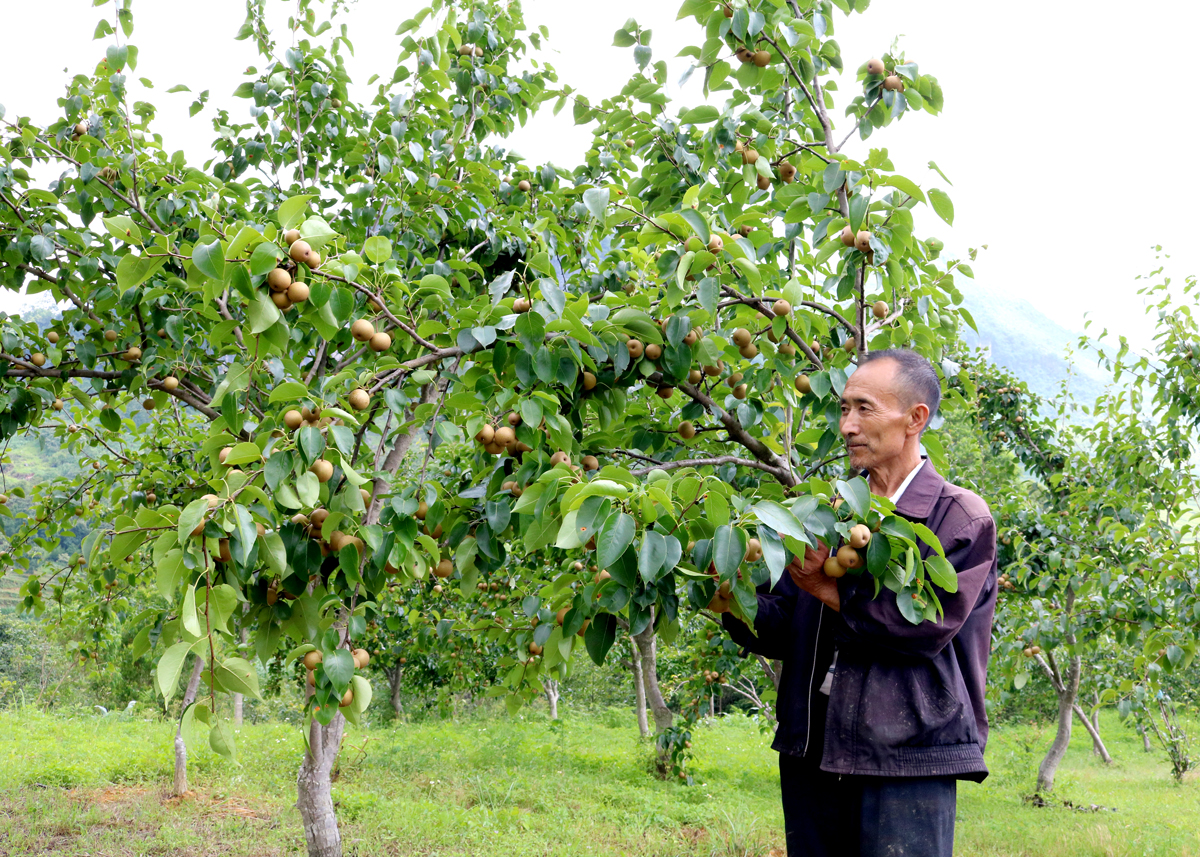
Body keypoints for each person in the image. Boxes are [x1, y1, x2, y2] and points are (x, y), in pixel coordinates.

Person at [716, 349, 998, 857]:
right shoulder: (826, 514)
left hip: (906, 757)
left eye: (864, 409)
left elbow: (927, 626)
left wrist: (833, 592)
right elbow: (784, 626)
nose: (847, 425)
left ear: (915, 419)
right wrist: (732, 600)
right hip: (814, 749)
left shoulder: (958, 519)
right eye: (845, 409)